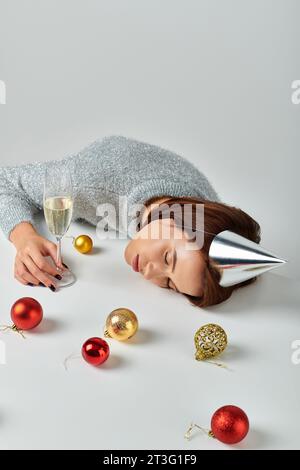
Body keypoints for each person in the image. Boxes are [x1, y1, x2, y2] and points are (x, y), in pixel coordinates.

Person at [0, 135, 261, 307]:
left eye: (170, 283)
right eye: (168, 259)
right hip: (107, 163)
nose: (152, 273)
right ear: (180, 215)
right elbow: (5, 180)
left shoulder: (206, 207)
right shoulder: (86, 182)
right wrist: (23, 238)